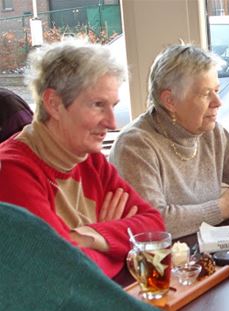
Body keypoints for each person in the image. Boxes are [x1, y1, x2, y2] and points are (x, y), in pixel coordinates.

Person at [0, 41, 165, 278]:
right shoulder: (12, 170)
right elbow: (67, 270)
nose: (112, 123)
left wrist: (90, 235)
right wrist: (121, 249)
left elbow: (154, 228)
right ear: (54, 104)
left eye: (113, 106)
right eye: (98, 105)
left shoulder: (90, 160)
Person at [109, 44, 229, 239]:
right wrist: (224, 207)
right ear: (170, 101)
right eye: (206, 93)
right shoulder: (134, 146)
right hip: (162, 264)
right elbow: (152, 222)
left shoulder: (211, 132)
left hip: (209, 257)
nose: (218, 102)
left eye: (217, 90)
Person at [0, 202, 182, 311]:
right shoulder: (13, 215)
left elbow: (155, 223)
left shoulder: (95, 164)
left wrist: (95, 235)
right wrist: (111, 245)